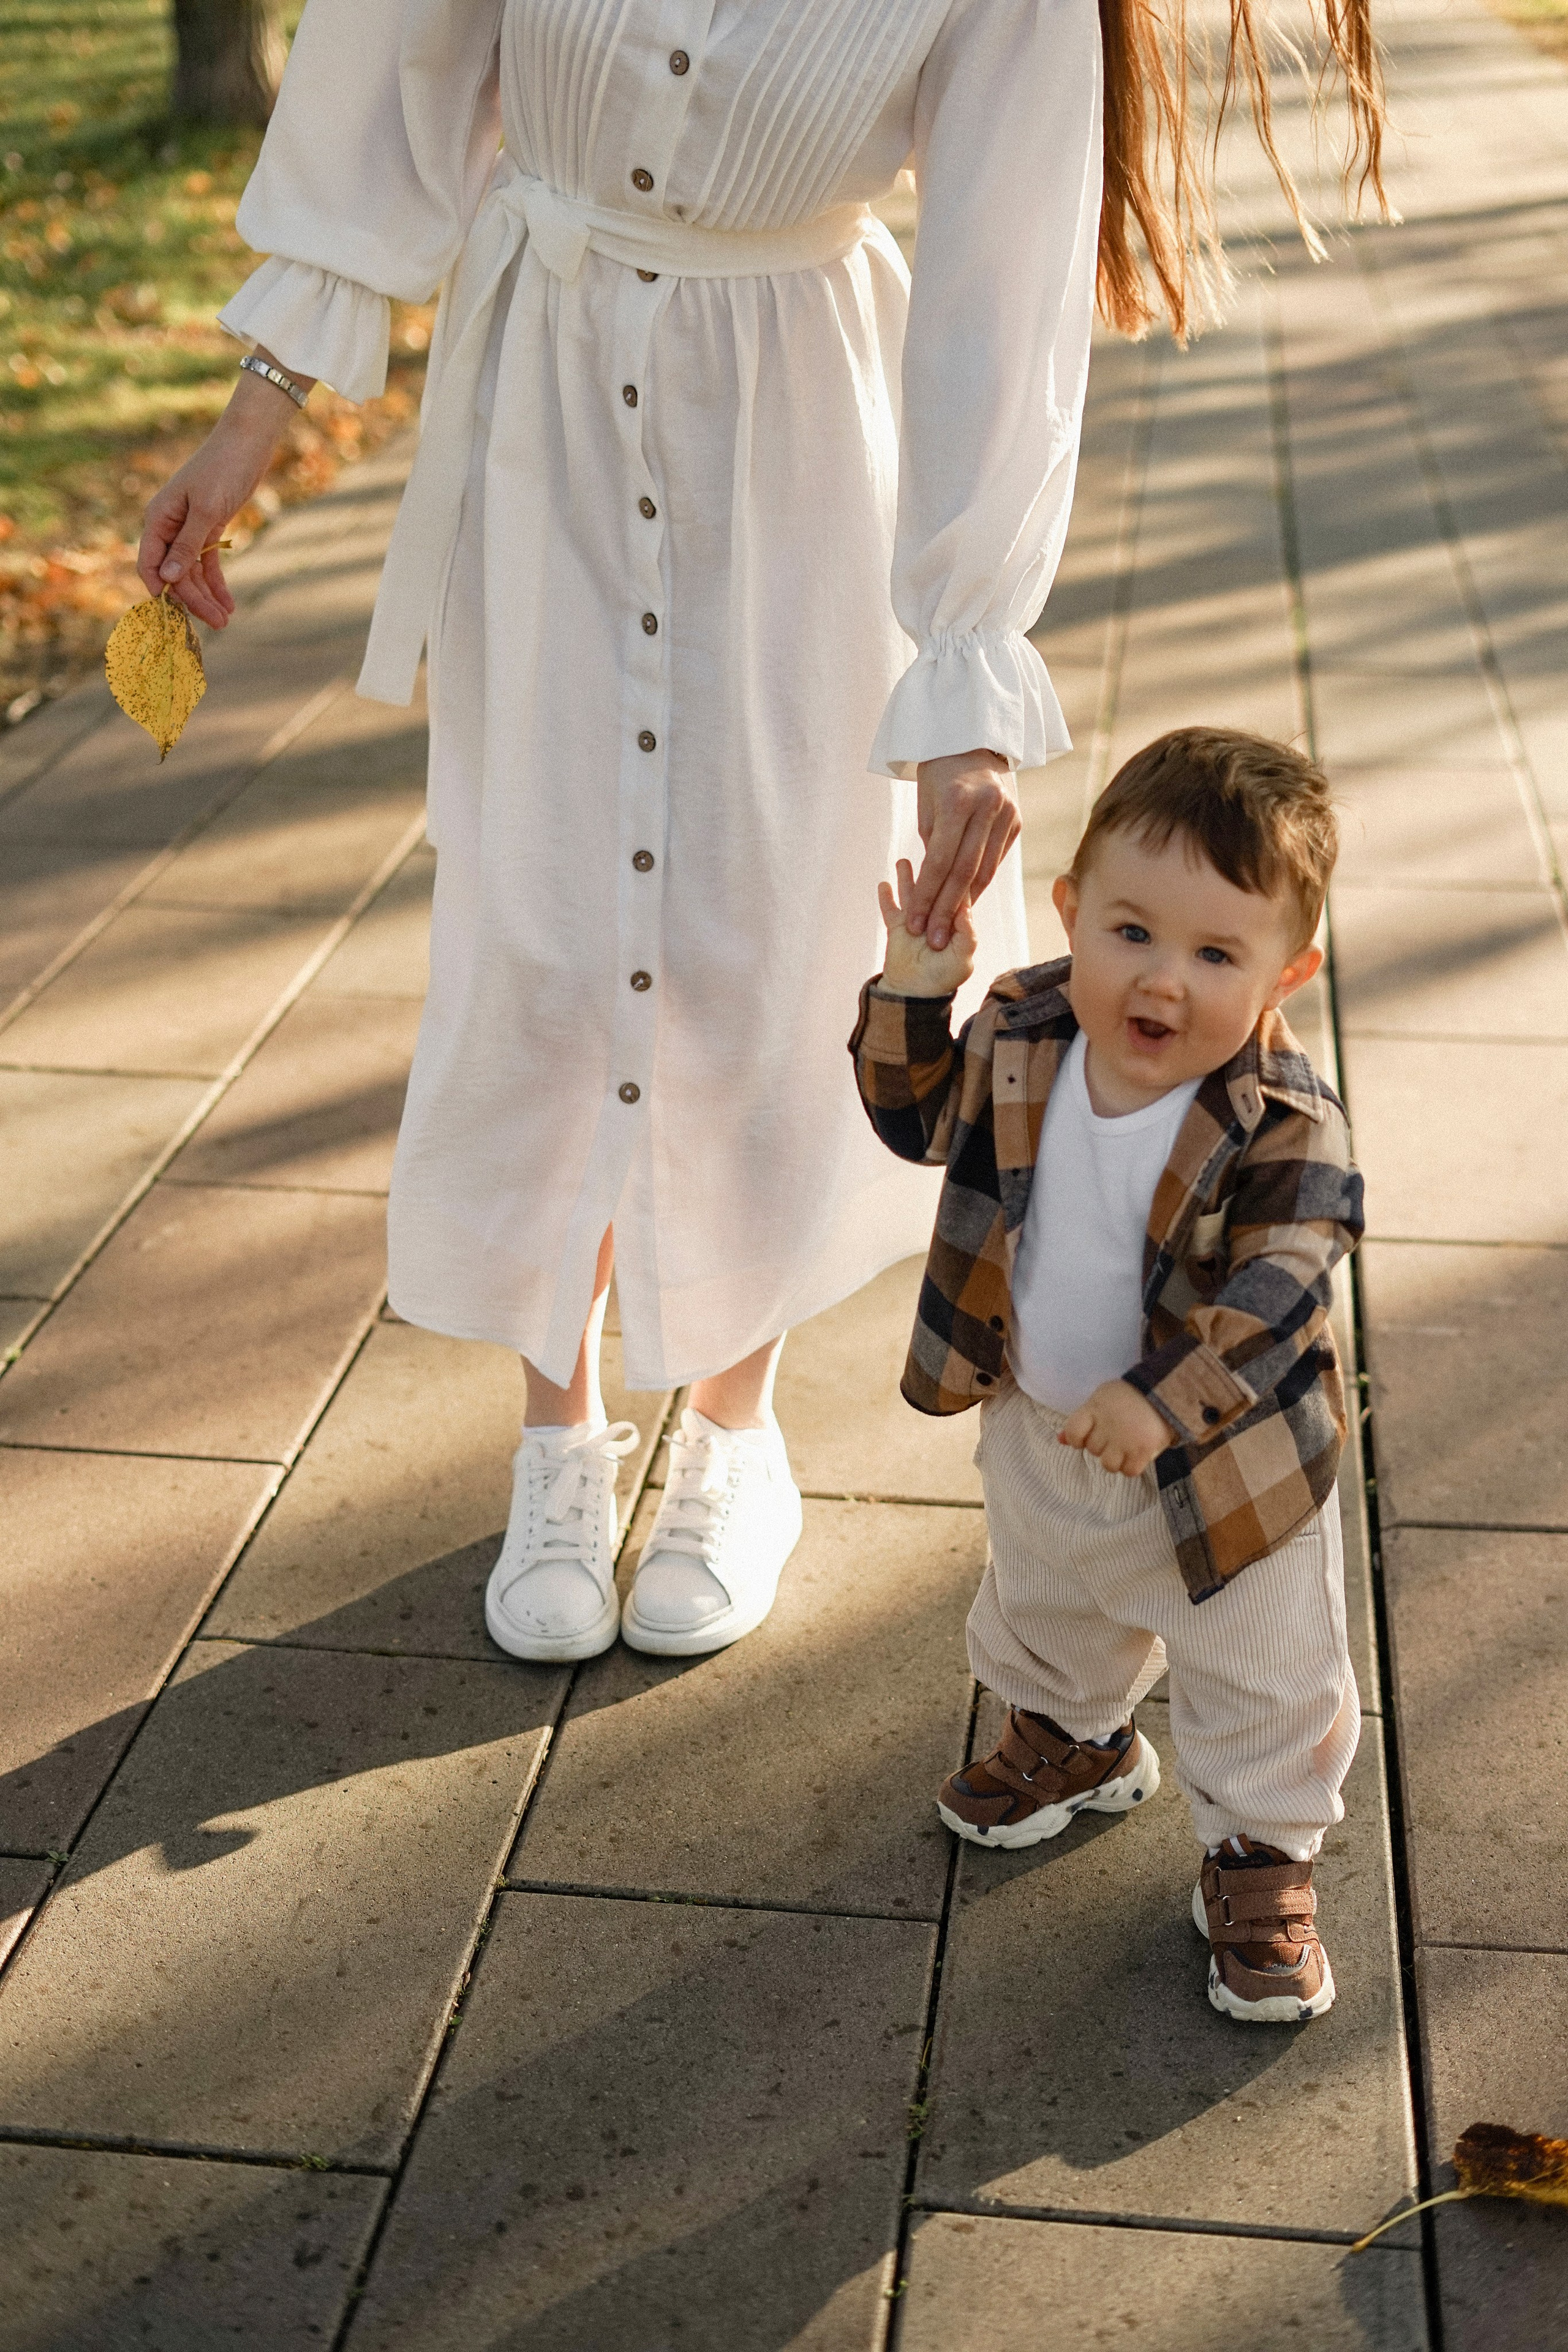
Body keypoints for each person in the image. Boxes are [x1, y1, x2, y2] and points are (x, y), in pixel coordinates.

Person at [137, 2, 1385, 1670]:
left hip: (805, 457)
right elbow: (398, 71)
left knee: (763, 943)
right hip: (546, 427)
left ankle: (730, 1437)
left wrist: (958, 695)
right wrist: (254, 411)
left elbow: (999, 307)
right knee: (548, 936)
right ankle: (556, 1440)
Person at [851, 728, 1364, 2021]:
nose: (1159, 983)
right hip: (1044, 1419)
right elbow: (913, 1122)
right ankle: (1075, 1739)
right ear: (1073, 914)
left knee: (1257, 1671)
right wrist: (916, 988)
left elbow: (1284, 1281)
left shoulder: (1282, 1121)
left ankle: (1257, 1853)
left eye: (1213, 955)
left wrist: (1164, 1395)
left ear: (1284, 972)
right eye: (1130, 932)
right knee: (1046, 1601)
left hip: (1224, 1472)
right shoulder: (1026, 1028)